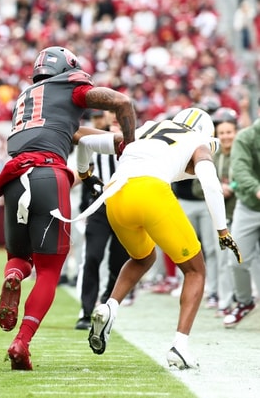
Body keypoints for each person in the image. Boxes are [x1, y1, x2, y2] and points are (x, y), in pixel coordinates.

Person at [0, 46, 136, 370]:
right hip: (47, 176)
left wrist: (115, 141)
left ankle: (13, 276)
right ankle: (22, 341)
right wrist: (131, 142)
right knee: (50, 270)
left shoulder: (28, 98)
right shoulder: (70, 86)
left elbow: (74, 133)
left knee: (18, 257)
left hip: (14, 178)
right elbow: (122, 103)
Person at [80, 107, 241, 370]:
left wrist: (84, 172)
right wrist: (222, 230)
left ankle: (110, 306)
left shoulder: (145, 129)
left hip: (115, 195)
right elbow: (210, 184)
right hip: (151, 191)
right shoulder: (197, 140)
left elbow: (85, 140)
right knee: (195, 271)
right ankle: (180, 346)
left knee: (142, 258)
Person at [75, 110, 130, 330]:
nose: (116, 118)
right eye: (113, 115)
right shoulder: (98, 140)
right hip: (100, 207)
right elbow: (83, 168)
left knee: (119, 262)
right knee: (92, 257)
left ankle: (107, 305)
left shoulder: (138, 141)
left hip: (126, 208)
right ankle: (86, 311)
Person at [223, 104, 260, 328]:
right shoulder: (246, 137)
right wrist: (257, 188)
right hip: (249, 206)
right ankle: (244, 302)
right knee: (237, 260)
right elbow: (240, 169)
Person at [210, 108, 238, 317]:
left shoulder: (244, 152)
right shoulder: (211, 156)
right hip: (221, 217)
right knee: (224, 261)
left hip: (243, 212)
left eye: (229, 132)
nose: (226, 136)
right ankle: (225, 302)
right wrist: (218, 188)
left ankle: (246, 297)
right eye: (222, 133)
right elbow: (197, 187)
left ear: (236, 132)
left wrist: (233, 187)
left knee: (248, 259)